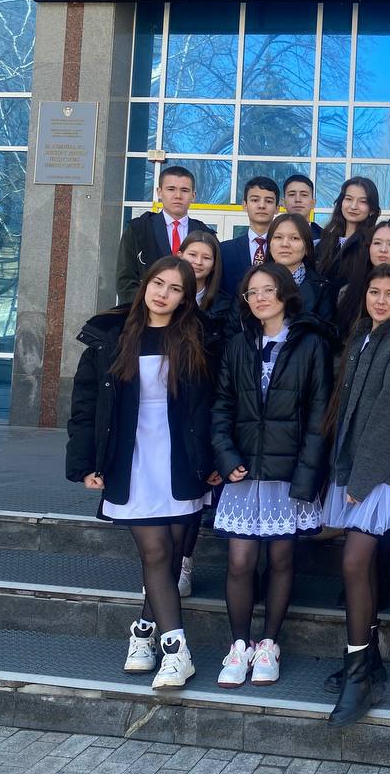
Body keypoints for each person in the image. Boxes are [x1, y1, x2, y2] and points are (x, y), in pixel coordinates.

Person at [65, 255, 217, 690]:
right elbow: (86, 406)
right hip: (130, 459)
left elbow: (212, 406)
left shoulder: (200, 337)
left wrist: (214, 462)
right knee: (155, 553)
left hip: (181, 459)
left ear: (185, 298)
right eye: (157, 283)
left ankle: (143, 632)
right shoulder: (110, 336)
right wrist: (84, 465)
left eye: (175, 288)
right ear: (145, 284)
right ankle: (177, 652)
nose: (163, 293)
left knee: (171, 554)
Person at [210, 262, 333, 688]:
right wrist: (225, 457)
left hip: (289, 473)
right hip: (244, 472)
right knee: (240, 560)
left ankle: (269, 644)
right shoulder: (238, 344)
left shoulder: (310, 343)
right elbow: (221, 406)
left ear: (284, 293)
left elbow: (320, 415)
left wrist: (308, 475)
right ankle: (238, 645)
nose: (260, 298)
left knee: (281, 559)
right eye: (252, 293)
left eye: (268, 290)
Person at [321, 265, 390, 727]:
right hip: (355, 471)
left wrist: (361, 481)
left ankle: (358, 674)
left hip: (380, 474)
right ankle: (367, 661)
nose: (381, 301)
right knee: (360, 565)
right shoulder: (362, 338)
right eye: (374, 292)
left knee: (353, 562)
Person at [175, 229, 231, 596]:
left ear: (214, 265)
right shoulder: (161, 295)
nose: (198, 262)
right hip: (164, 407)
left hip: (204, 405)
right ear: (180, 254)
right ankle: (160, 563)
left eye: (206, 257)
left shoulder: (222, 306)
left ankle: (184, 564)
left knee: (194, 489)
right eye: (192, 254)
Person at [115, 166, 213, 302]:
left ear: (193, 196)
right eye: (171, 189)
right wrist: (150, 308)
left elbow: (213, 280)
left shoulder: (205, 234)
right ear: (159, 192)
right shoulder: (138, 230)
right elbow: (125, 281)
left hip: (192, 310)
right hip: (146, 310)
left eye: (184, 190)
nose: (178, 196)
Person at [219, 176, 280, 297]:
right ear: (244, 205)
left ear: (277, 208)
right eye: (255, 200)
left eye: (269, 201)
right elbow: (219, 292)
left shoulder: (284, 249)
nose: (261, 206)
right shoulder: (225, 250)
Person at [266, 212, 333, 322]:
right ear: (269, 245)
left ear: (307, 247)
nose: (285, 244)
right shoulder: (251, 283)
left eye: (294, 238)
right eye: (278, 237)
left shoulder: (322, 288)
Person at [317, 177, 381, 285]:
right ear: (341, 203)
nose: (353, 206)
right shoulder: (327, 240)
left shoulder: (372, 244)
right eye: (349, 199)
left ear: (372, 209)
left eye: (363, 201)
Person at [282, 173, 322, 240]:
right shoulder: (272, 235)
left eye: (304, 195)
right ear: (283, 202)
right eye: (292, 194)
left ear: (313, 203)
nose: (298, 200)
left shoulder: (326, 239)